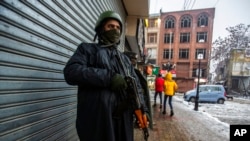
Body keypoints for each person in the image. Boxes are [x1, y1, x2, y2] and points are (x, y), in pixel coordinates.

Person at [63, 11, 149, 141]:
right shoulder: (87, 50)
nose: (114, 30)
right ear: (101, 28)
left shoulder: (124, 59)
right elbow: (71, 72)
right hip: (98, 123)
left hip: (123, 123)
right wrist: (109, 78)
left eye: (118, 27)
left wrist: (142, 109)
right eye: (110, 26)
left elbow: (136, 86)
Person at [124, 51, 153, 129]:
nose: (134, 62)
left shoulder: (135, 73)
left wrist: (144, 111)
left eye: (135, 60)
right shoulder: (121, 71)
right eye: (132, 59)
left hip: (131, 111)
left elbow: (140, 93)